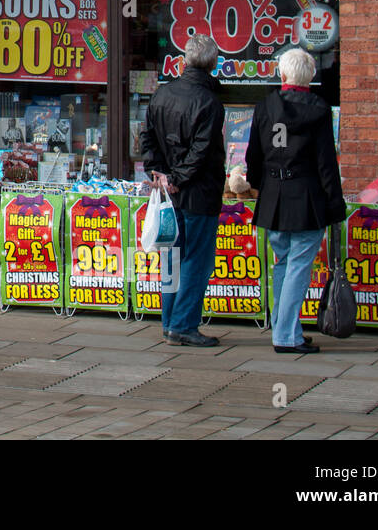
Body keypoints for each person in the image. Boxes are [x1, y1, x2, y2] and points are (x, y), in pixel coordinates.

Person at [246, 48, 344, 355]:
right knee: (298, 265)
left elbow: (253, 155)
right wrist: (335, 203)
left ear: (283, 74)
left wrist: (260, 185)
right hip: (306, 197)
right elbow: (326, 162)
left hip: (274, 195)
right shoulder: (318, 109)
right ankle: (287, 335)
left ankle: (285, 327)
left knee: (284, 263)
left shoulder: (265, 106)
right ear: (311, 76)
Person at [142, 33, 226, 347]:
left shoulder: (162, 94)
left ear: (185, 60)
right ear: (213, 63)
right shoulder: (209, 101)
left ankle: (170, 323)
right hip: (198, 191)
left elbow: (147, 138)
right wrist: (176, 176)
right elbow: (202, 151)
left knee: (173, 257)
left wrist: (161, 173)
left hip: (170, 190)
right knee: (196, 260)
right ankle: (183, 325)